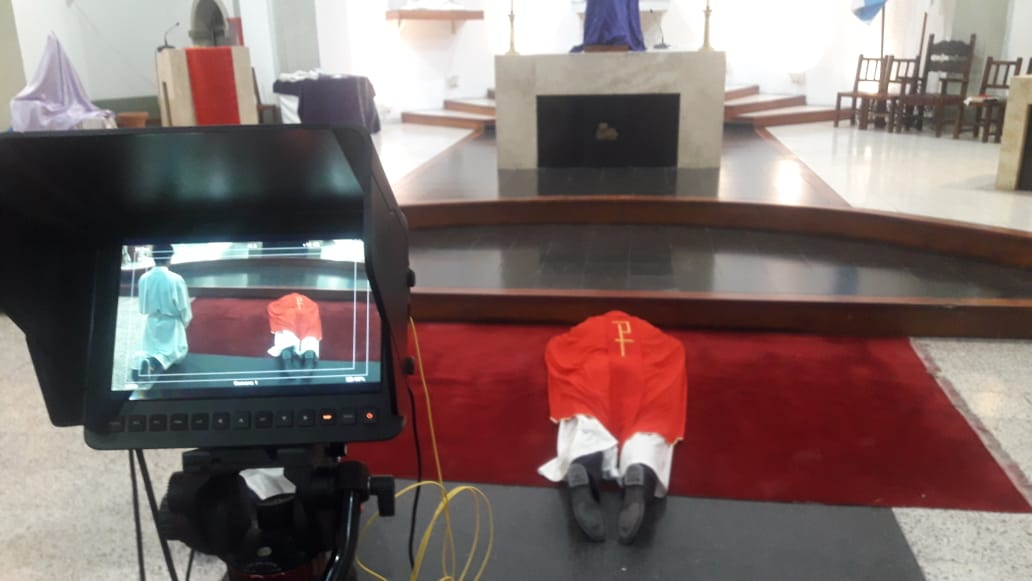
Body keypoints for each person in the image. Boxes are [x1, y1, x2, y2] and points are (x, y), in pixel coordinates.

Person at [539, 311, 687, 544]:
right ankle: (641, 470)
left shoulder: (588, 328)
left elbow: (557, 348)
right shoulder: (654, 336)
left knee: (587, 420)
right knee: (650, 422)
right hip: (643, 370)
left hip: (596, 370)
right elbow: (674, 351)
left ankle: (584, 464)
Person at [135, 244, 193, 378]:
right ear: (170, 257)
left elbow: (142, 308)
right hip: (171, 324)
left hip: (152, 322)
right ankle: (155, 362)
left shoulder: (144, 278)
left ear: (154, 257)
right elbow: (184, 307)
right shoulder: (176, 279)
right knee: (177, 355)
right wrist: (185, 322)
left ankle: (148, 360)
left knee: (151, 349)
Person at [266, 292, 322, 368]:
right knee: (311, 333)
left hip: (286, 310)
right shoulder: (311, 303)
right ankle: (309, 351)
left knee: (286, 332)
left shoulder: (282, 301)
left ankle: (286, 348)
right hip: (307, 309)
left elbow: (271, 307)